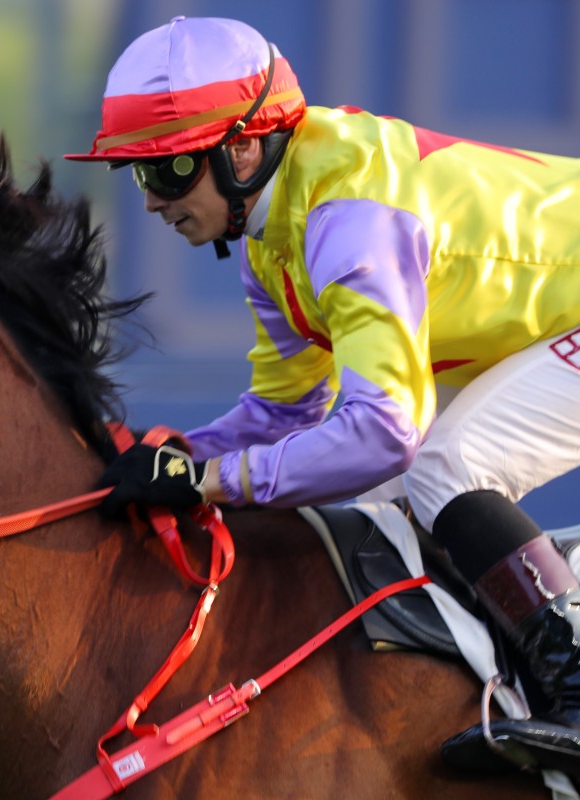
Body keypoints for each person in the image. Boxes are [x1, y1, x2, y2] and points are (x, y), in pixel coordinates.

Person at [67, 15, 580, 777]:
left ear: (242, 149)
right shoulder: (274, 239)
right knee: (410, 479)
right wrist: (173, 453)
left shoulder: (348, 218)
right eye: (139, 175)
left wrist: (209, 482)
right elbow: (286, 414)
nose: (150, 201)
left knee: (446, 465)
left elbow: (383, 432)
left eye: (167, 171)